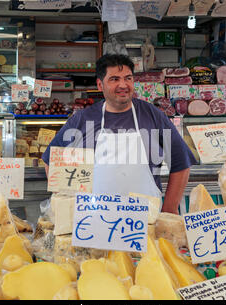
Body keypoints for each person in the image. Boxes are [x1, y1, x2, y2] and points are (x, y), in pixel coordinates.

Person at [42, 54, 197, 214]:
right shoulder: (83, 118)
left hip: (145, 222)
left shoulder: (152, 115)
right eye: (114, 79)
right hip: (94, 222)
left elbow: (181, 162)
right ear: (100, 85)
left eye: (128, 78)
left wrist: (169, 210)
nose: (123, 85)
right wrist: (66, 206)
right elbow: (51, 160)